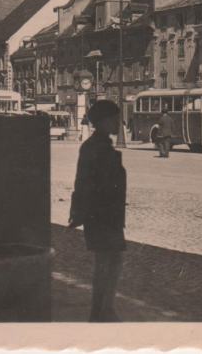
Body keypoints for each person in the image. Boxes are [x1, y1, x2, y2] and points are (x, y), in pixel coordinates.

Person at [69, 100, 127, 322]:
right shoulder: (96, 148)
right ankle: (103, 311)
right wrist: (80, 213)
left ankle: (102, 309)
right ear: (103, 121)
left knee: (109, 261)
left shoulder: (99, 146)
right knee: (108, 262)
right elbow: (83, 183)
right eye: (114, 119)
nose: (117, 123)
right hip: (102, 215)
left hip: (106, 215)